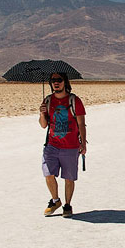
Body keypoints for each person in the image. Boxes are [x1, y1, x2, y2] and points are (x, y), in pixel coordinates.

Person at [38, 73, 87, 218]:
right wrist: (42, 114)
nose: (56, 83)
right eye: (53, 80)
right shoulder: (47, 101)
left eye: (59, 80)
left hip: (70, 146)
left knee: (69, 177)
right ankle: (55, 200)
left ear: (65, 82)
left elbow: (81, 124)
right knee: (48, 173)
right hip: (52, 145)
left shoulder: (74, 101)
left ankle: (67, 205)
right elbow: (43, 125)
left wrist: (83, 143)